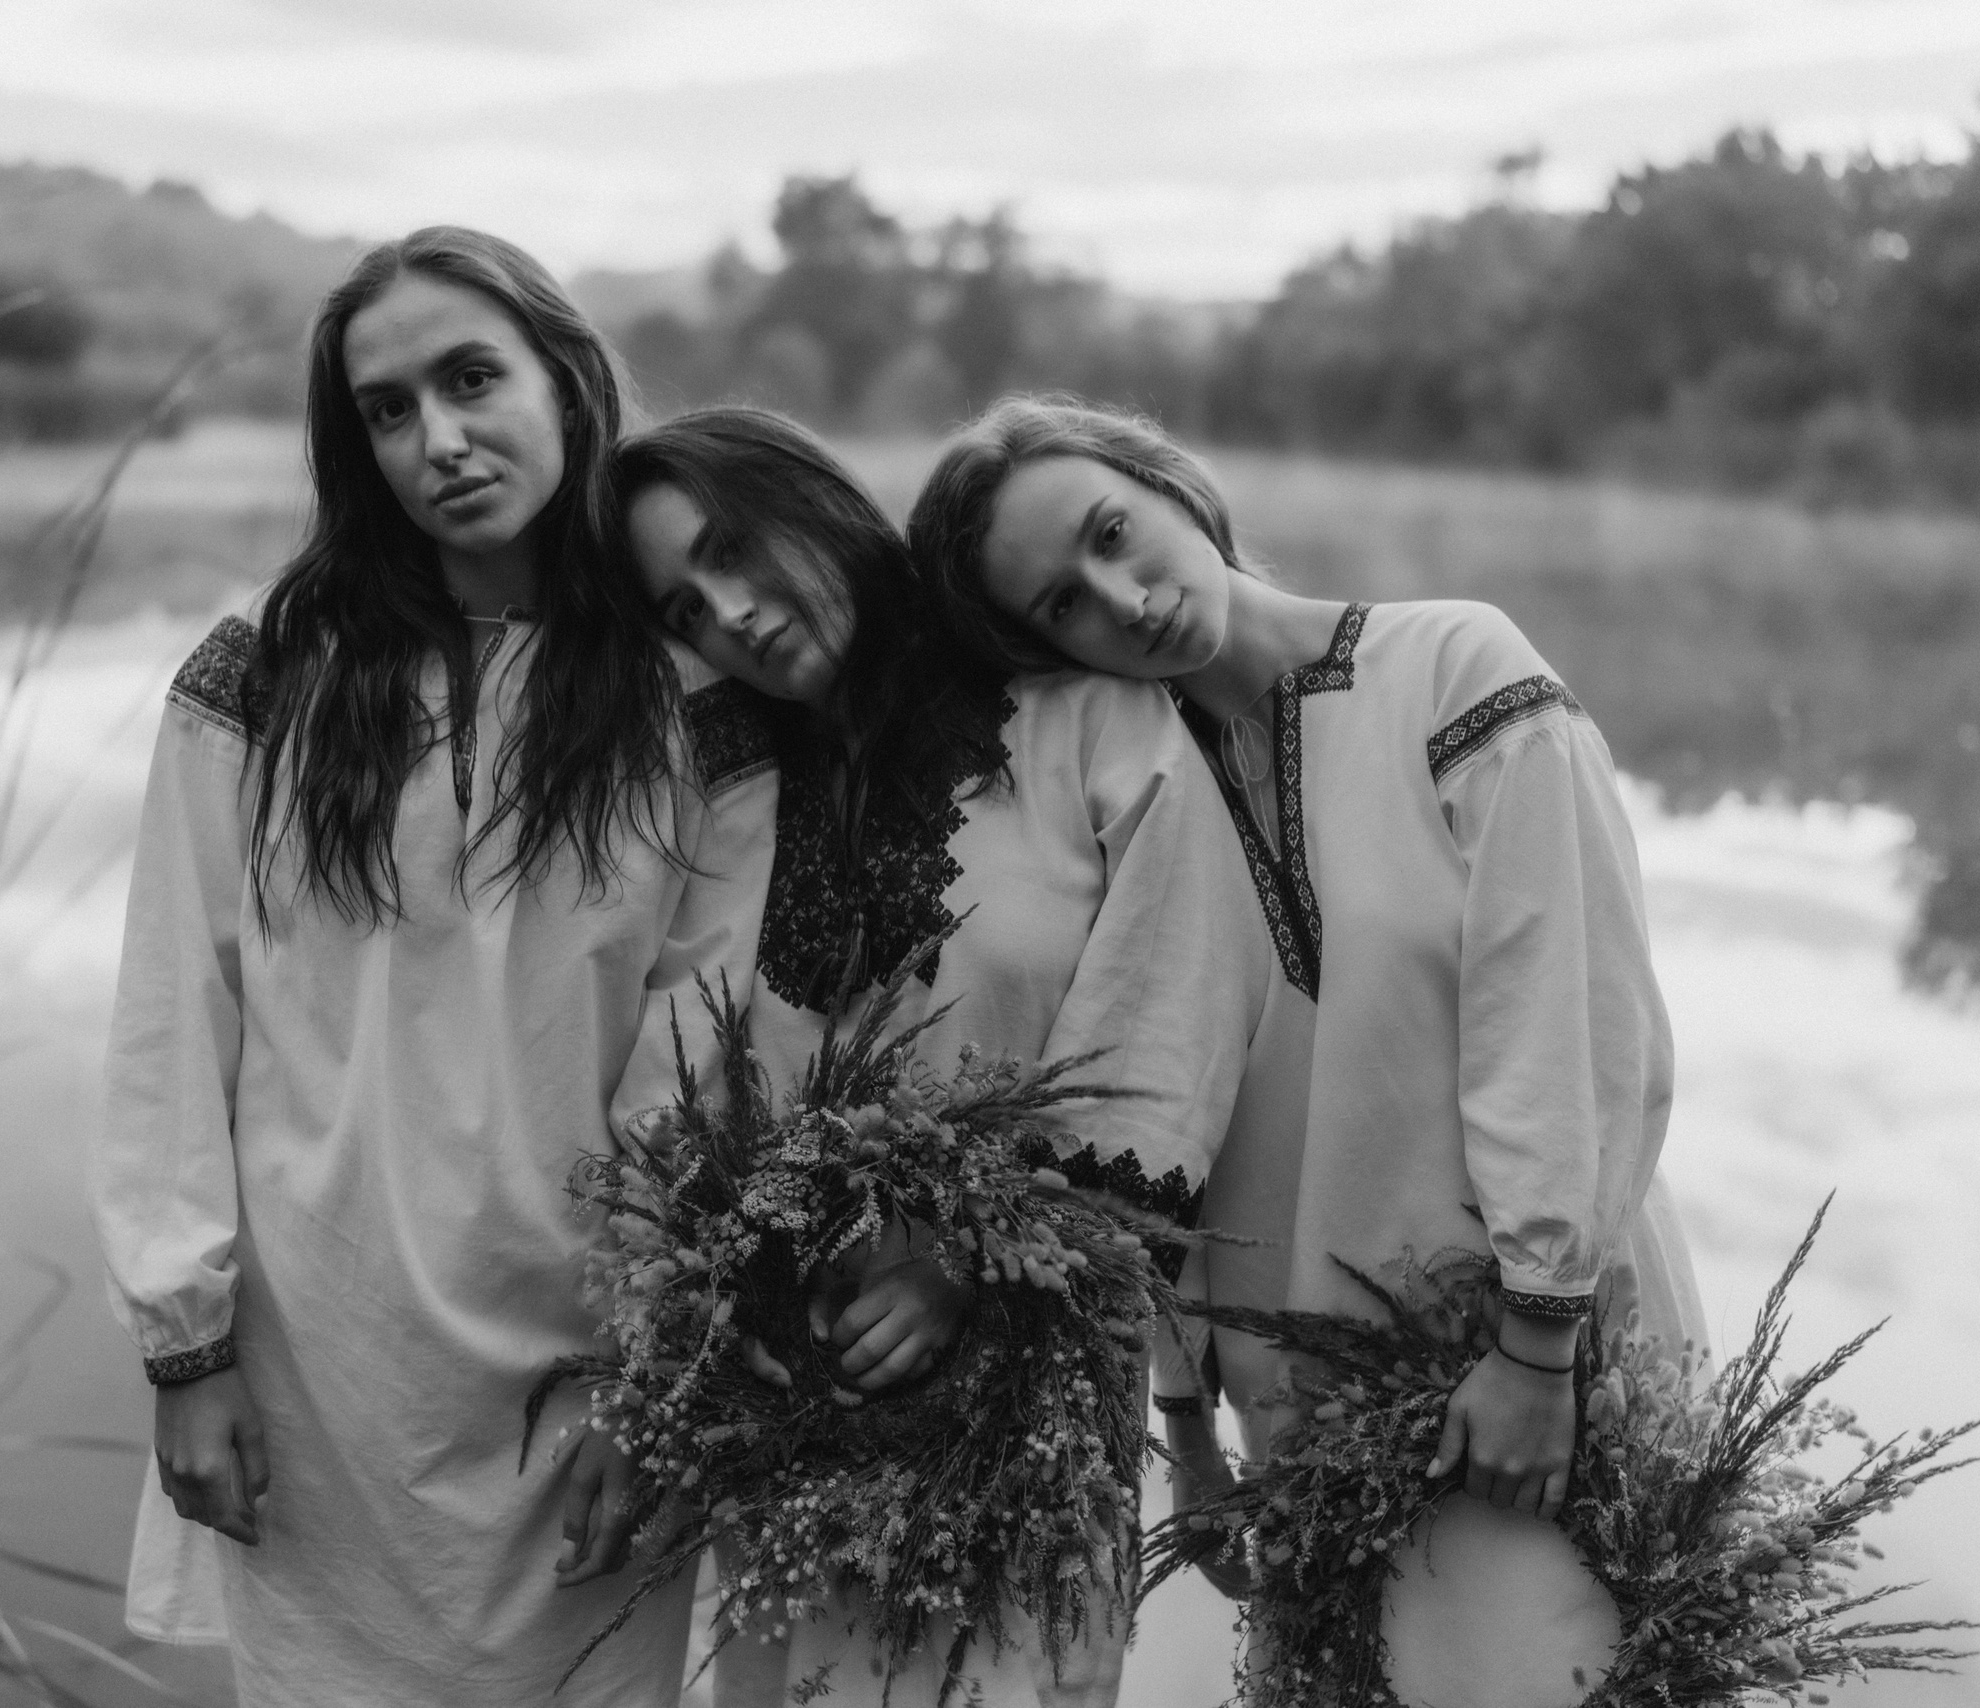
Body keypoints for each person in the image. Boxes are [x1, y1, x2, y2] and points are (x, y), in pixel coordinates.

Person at [908, 397, 1709, 1691]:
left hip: (1521, 1378)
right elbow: (1149, 1116)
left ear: (1169, 481)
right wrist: (1188, 1422)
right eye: (1063, 603)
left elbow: (1572, 1010)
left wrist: (1536, 1346)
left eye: (1115, 531)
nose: (1125, 595)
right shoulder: (1140, 792)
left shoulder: (1457, 669)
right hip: (1304, 1407)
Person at [89, 227, 774, 1708]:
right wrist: (185, 1353)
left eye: (472, 379)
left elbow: (701, 1070)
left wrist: (645, 1381)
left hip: (581, 1379)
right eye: (388, 410)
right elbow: (170, 1023)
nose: (437, 441)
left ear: (568, 380)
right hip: (314, 1376)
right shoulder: (259, 683)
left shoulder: (700, 707)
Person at [608, 407, 1267, 1708]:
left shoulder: (1093, 720)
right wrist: (676, 1327)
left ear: (821, 500)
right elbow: (684, 1072)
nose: (731, 612)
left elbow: (1169, 1031)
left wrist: (976, 1261)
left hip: (1024, 1377)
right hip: (797, 1392)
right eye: (686, 609)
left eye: (739, 550)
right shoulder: (737, 783)